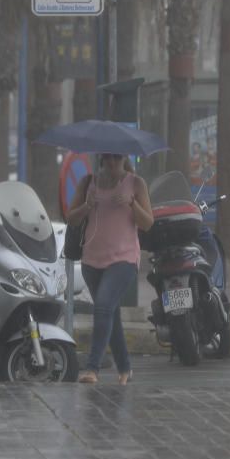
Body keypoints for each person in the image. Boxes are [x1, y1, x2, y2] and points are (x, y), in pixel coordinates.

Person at [67, 153, 154, 385]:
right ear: (102, 160)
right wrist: (87, 205)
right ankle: (125, 368)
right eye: (108, 159)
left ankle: (92, 368)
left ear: (124, 159)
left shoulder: (135, 183)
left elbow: (147, 222)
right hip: (91, 260)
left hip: (124, 259)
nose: (112, 163)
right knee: (110, 314)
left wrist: (132, 203)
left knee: (104, 306)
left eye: (117, 158)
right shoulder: (88, 182)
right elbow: (71, 218)